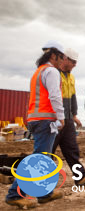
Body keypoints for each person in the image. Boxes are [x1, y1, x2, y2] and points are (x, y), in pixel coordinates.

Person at [5, 41, 65, 208]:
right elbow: (54, 96)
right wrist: (61, 117)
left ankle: (45, 194)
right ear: (54, 55)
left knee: (43, 159)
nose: (62, 61)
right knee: (38, 160)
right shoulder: (51, 71)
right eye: (61, 57)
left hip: (37, 119)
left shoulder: (39, 72)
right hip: (45, 120)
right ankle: (13, 195)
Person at [51, 48, 85, 186]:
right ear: (65, 59)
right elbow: (53, 97)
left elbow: (73, 97)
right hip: (54, 119)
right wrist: (57, 116)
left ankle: (80, 177)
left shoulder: (71, 77)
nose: (75, 65)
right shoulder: (54, 74)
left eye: (76, 63)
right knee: (47, 151)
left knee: (71, 149)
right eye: (73, 62)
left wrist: (74, 115)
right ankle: (36, 182)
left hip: (68, 119)